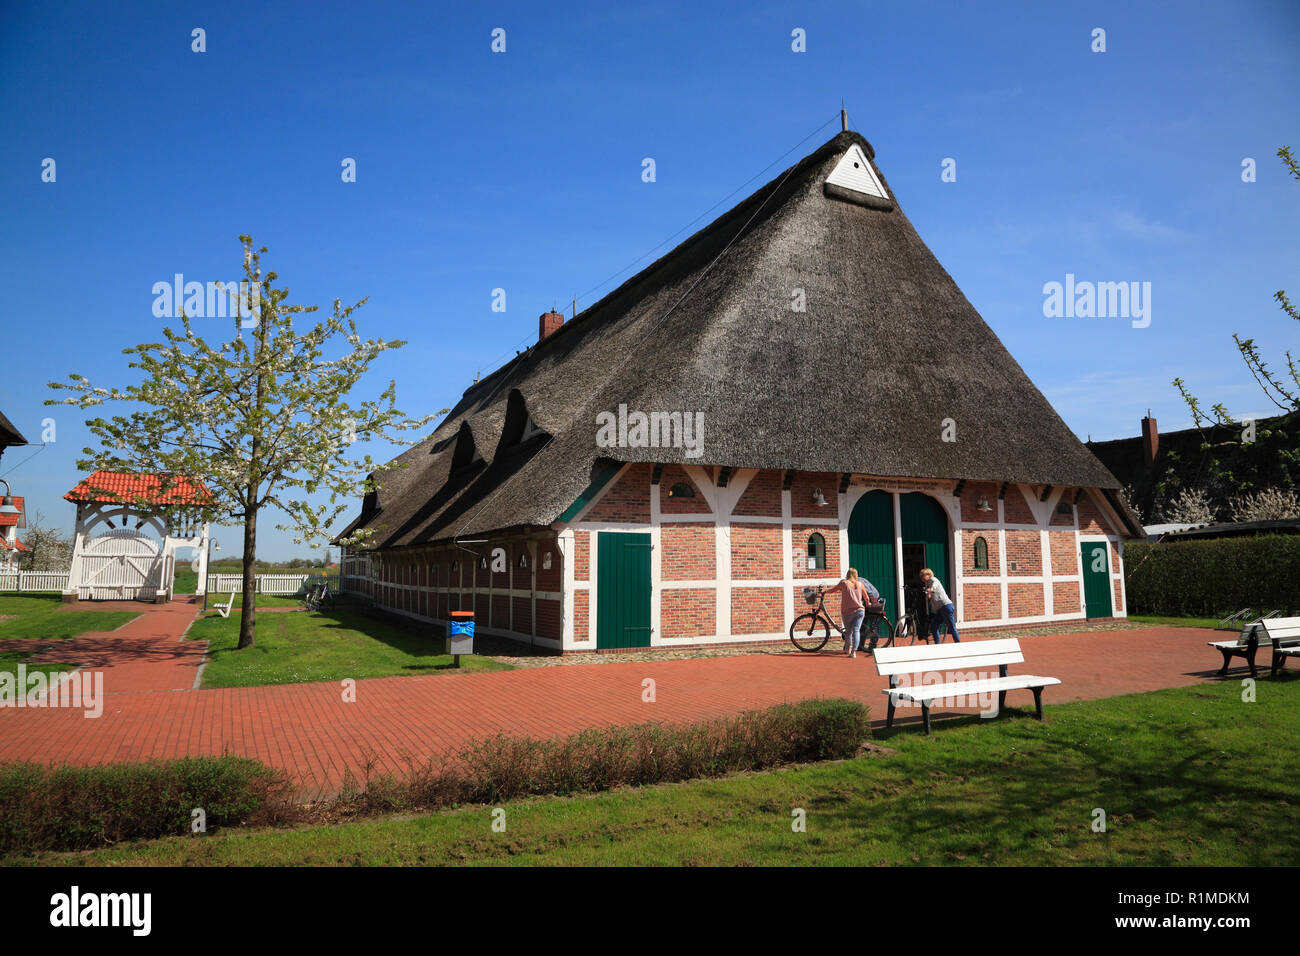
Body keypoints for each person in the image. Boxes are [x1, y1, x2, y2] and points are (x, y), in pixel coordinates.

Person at [823, 568, 874, 658]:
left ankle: (847, 649)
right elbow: (866, 598)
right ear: (856, 575)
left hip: (847, 612)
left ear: (847, 574)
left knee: (849, 631)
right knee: (856, 630)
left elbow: (833, 590)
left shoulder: (844, 583)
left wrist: (825, 591)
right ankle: (853, 652)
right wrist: (868, 603)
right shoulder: (860, 584)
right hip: (860, 611)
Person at [920, 567, 960, 643]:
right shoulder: (928, 584)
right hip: (940, 609)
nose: (922, 577)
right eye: (921, 576)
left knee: (951, 628)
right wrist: (928, 595)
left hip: (946, 606)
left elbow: (934, 587)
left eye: (923, 575)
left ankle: (959, 645)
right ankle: (938, 646)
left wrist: (930, 590)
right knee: (934, 626)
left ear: (928, 574)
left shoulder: (933, 580)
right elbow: (929, 596)